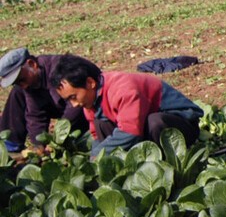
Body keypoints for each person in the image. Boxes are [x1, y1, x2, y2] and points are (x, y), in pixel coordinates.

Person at [50, 54, 202, 157]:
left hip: (182, 127)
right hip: (144, 128)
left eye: (73, 97)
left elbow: (130, 133)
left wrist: (99, 155)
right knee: (100, 124)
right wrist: (93, 159)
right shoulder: (90, 101)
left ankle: (171, 161)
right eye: (68, 100)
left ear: (90, 83)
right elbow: (97, 137)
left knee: (155, 122)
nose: (74, 104)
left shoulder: (122, 89)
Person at [0, 47, 92, 152]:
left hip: (88, 107)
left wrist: (56, 139)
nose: (23, 86)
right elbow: (35, 115)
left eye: (22, 80)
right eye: (17, 82)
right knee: (17, 92)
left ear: (32, 64)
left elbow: (75, 107)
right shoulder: (31, 82)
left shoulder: (60, 71)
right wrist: (38, 145)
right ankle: (10, 147)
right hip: (63, 107)